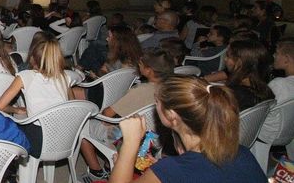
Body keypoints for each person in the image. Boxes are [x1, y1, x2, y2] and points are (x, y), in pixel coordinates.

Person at [107, 76, 266, 183]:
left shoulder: (173, 169)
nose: (155, 106)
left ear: (171, 115)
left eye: (157, 102)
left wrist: (131, 143)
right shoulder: (242, 152)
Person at [78, 48, 174, 181]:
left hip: (125, 136)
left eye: (141, 64)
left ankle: (96, 171)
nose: (138, 65)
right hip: (156, 139)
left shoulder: (141, 90)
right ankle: (109, 166)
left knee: (81, 126)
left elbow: (108, 114)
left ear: (149, 70)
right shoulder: (172, 90)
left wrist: (101, 114)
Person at [0, 37, 76, 158]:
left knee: (5, 125)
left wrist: (16, 110)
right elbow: (73, 105)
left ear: (33, 58)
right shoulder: (64, 77)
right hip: (65, 139)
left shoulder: (25, 76)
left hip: (40, 142)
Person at [73, 25, 142, 107]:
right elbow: (105, 70)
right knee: (94, 50)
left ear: (117, 41)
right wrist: (101, 75)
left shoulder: (125, 64)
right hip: (110, 90)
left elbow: (116, 87)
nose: (106, 39)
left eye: (109, 37)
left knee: (69, 91)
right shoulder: (124, 56)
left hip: (108, 97)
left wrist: (96, 78)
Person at [223, 39, 274, 110]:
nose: (225, 59)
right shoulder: (265, 90)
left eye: (228, 56)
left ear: (239, 63)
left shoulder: (234, 94)